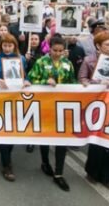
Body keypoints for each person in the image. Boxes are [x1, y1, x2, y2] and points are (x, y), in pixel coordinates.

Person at [27, 36, 75, 191]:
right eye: (55, 50)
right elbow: (31, 80)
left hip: (62, 107)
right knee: (46, 136)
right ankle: (45, 161)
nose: (58, 53)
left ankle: (59, 173)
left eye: (61, 51)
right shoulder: (41, 62)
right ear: (49, 48)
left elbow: (72, 82)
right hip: (45, 105)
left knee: (62, 140)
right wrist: (44, 83)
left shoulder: (67, 64)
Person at [78, 31, 109, 186]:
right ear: (98, 46)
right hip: (95, 104)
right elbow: (82, 79)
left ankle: (107, 175)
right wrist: (94, 83)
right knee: (96, 138)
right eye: (107, 45)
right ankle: (92, 171)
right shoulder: (88, 61)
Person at [0, 34, 27, 181]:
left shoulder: (21, 59)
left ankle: (8, 155)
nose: (7, 48)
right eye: (5, 45)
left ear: (14, 46)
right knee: (3, 130)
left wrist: (26, 81)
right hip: (0, 99)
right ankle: (6, 164)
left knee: (13, 129)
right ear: (1, 46)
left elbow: (25, 75)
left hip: (16, 99)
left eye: (10, 45)